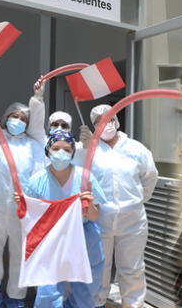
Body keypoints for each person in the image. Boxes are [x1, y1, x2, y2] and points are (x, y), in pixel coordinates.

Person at [0, 70, 46, 308]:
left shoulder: (33, 144)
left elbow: (37, 123)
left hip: (23, 209)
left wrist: (37, 99)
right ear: (5, 118)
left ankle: (16, 296)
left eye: (23, 118)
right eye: (14, 116)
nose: (18, 120)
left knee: (21, 253)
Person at [18, 130, 108, 307]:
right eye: (56, 148)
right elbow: (29, 217)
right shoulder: (37, 181)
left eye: (67, 149)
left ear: (73, 152)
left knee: (86, 290)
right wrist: (22, 205)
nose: (61, 153)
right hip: (51, 239)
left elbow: (95, 215)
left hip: (83, 237)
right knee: (48, 292)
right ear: (48, 151)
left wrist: (88, 203)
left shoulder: (85, 177)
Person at [83, 104, 159, 308]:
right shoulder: (91, 149)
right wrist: (83, 149)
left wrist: (137, 199)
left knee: (132, 267)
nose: (105, 124)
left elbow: (150, 177)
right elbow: (80, 178)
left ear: (116, 120)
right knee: (100, 266)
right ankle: (97, 303)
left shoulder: (135, 148)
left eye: (108, 119)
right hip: (100, 219)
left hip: (132, 221)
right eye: (99, 122)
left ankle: (133, 304)